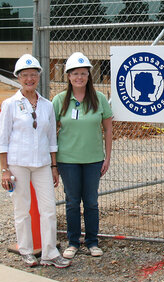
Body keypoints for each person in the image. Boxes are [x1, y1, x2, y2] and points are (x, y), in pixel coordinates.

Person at [0, 54, 70, 268]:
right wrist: (4, 170)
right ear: (18, 78)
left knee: (48, 209)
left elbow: (51, 139)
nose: (29, 79)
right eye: (25, 75)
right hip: (18, 164)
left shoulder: (47, 105)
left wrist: (54, 166)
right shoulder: (10, 104)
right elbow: (3, 139)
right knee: (22, 209)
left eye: (33, 75)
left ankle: (50, 252)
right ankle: (26, 251)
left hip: (42, 165)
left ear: (39, 77)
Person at [52, 52, 113, 259]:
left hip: (93, 160)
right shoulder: (60, 100)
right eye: (75, 73)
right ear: (68, 76)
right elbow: (51, 132)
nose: (80, 77)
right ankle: (73, 242)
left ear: (89, 76)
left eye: (84, 73)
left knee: (91, 202)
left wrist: (107, 158)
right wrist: (53, 163)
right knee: (71, 202)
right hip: (68, 160)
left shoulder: (99, 99)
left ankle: (92, 242)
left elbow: (108, 129)